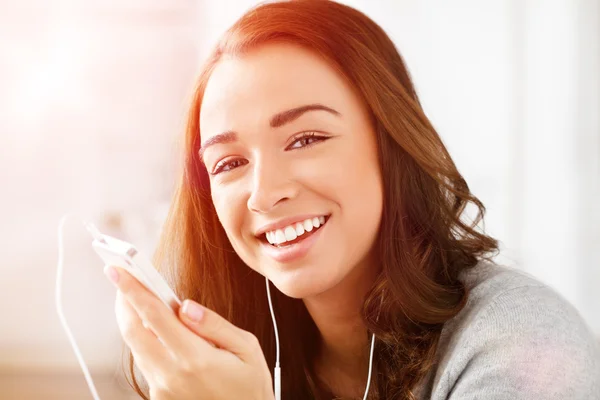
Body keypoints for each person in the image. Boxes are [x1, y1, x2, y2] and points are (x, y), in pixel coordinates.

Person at [103, 1, 600, 399]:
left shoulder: (523, 341)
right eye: (230, 164)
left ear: (391, 144)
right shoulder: (221, 368)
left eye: (306, 139)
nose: (264, 193)